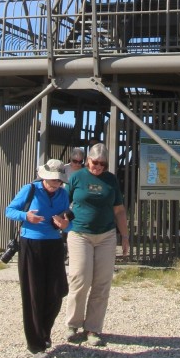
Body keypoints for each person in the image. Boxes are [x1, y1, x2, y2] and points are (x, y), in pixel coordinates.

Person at [5, 158, 71, 358]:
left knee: (58, 291)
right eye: (52, 181)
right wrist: (26, 216)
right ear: (43, 176)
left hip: (54, 245)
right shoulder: (30, 190)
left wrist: (63, 224)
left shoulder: (63, 194)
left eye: (58, 181)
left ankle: (44, 331)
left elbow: (68, 223)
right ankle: (35, 344)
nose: (55, 185)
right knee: (34, 294)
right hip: (31, 245)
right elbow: (9, 211)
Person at [65, 142, 129, 347]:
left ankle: (93, 329)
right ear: (87, 160)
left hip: (106, 236)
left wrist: (125, 237)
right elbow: (61, 204)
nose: (98, 167)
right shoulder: (76, 178)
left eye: (103, 164)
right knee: (80, 278)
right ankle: (73, 324)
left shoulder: (111, 180)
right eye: (95, 162)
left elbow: (118, 210)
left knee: (102, 283)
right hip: (79, 234)